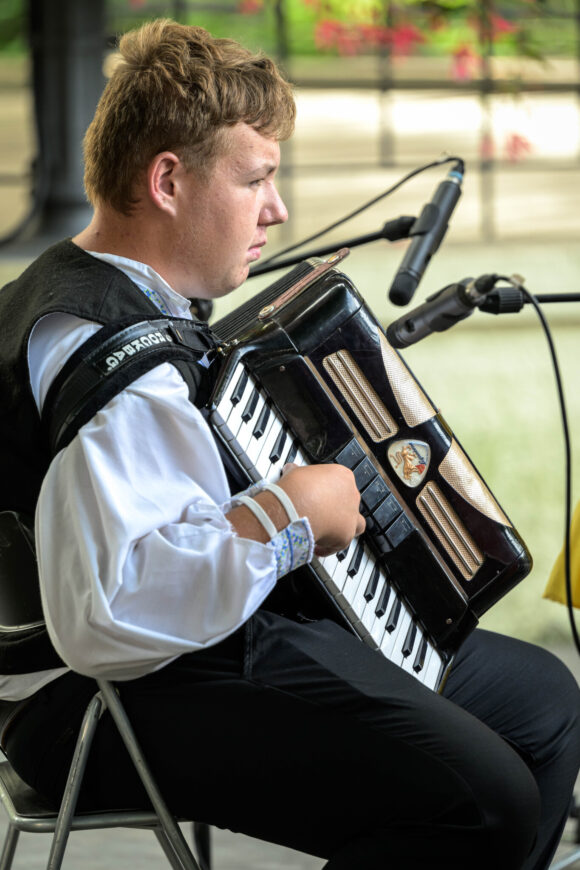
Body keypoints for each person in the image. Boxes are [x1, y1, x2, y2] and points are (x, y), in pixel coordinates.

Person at [0, 18, 578, 870]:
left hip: (187, 649)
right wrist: (287, 514)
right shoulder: (116, 368)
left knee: (545, 704)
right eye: (257, 179)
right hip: (104, 698)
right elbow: (106, 615)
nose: (277, 209)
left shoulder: (70, 287)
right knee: (483, 801)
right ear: (167, 180)